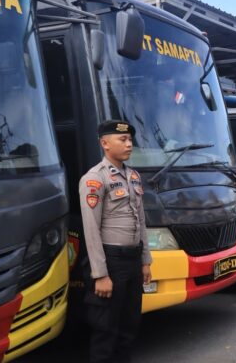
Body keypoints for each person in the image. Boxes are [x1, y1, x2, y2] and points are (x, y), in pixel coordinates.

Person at [78, 120, 152, 363]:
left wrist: (145, 261)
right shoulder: (94, 179)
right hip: (111, 262)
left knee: (128, 326)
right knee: (105, 330)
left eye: (130, 139)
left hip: (132, 261)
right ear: (105, 143)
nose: (129, 144)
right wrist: (100, 274)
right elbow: (91, 230)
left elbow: (140, 220)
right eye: (123, 140)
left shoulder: (133, 176)